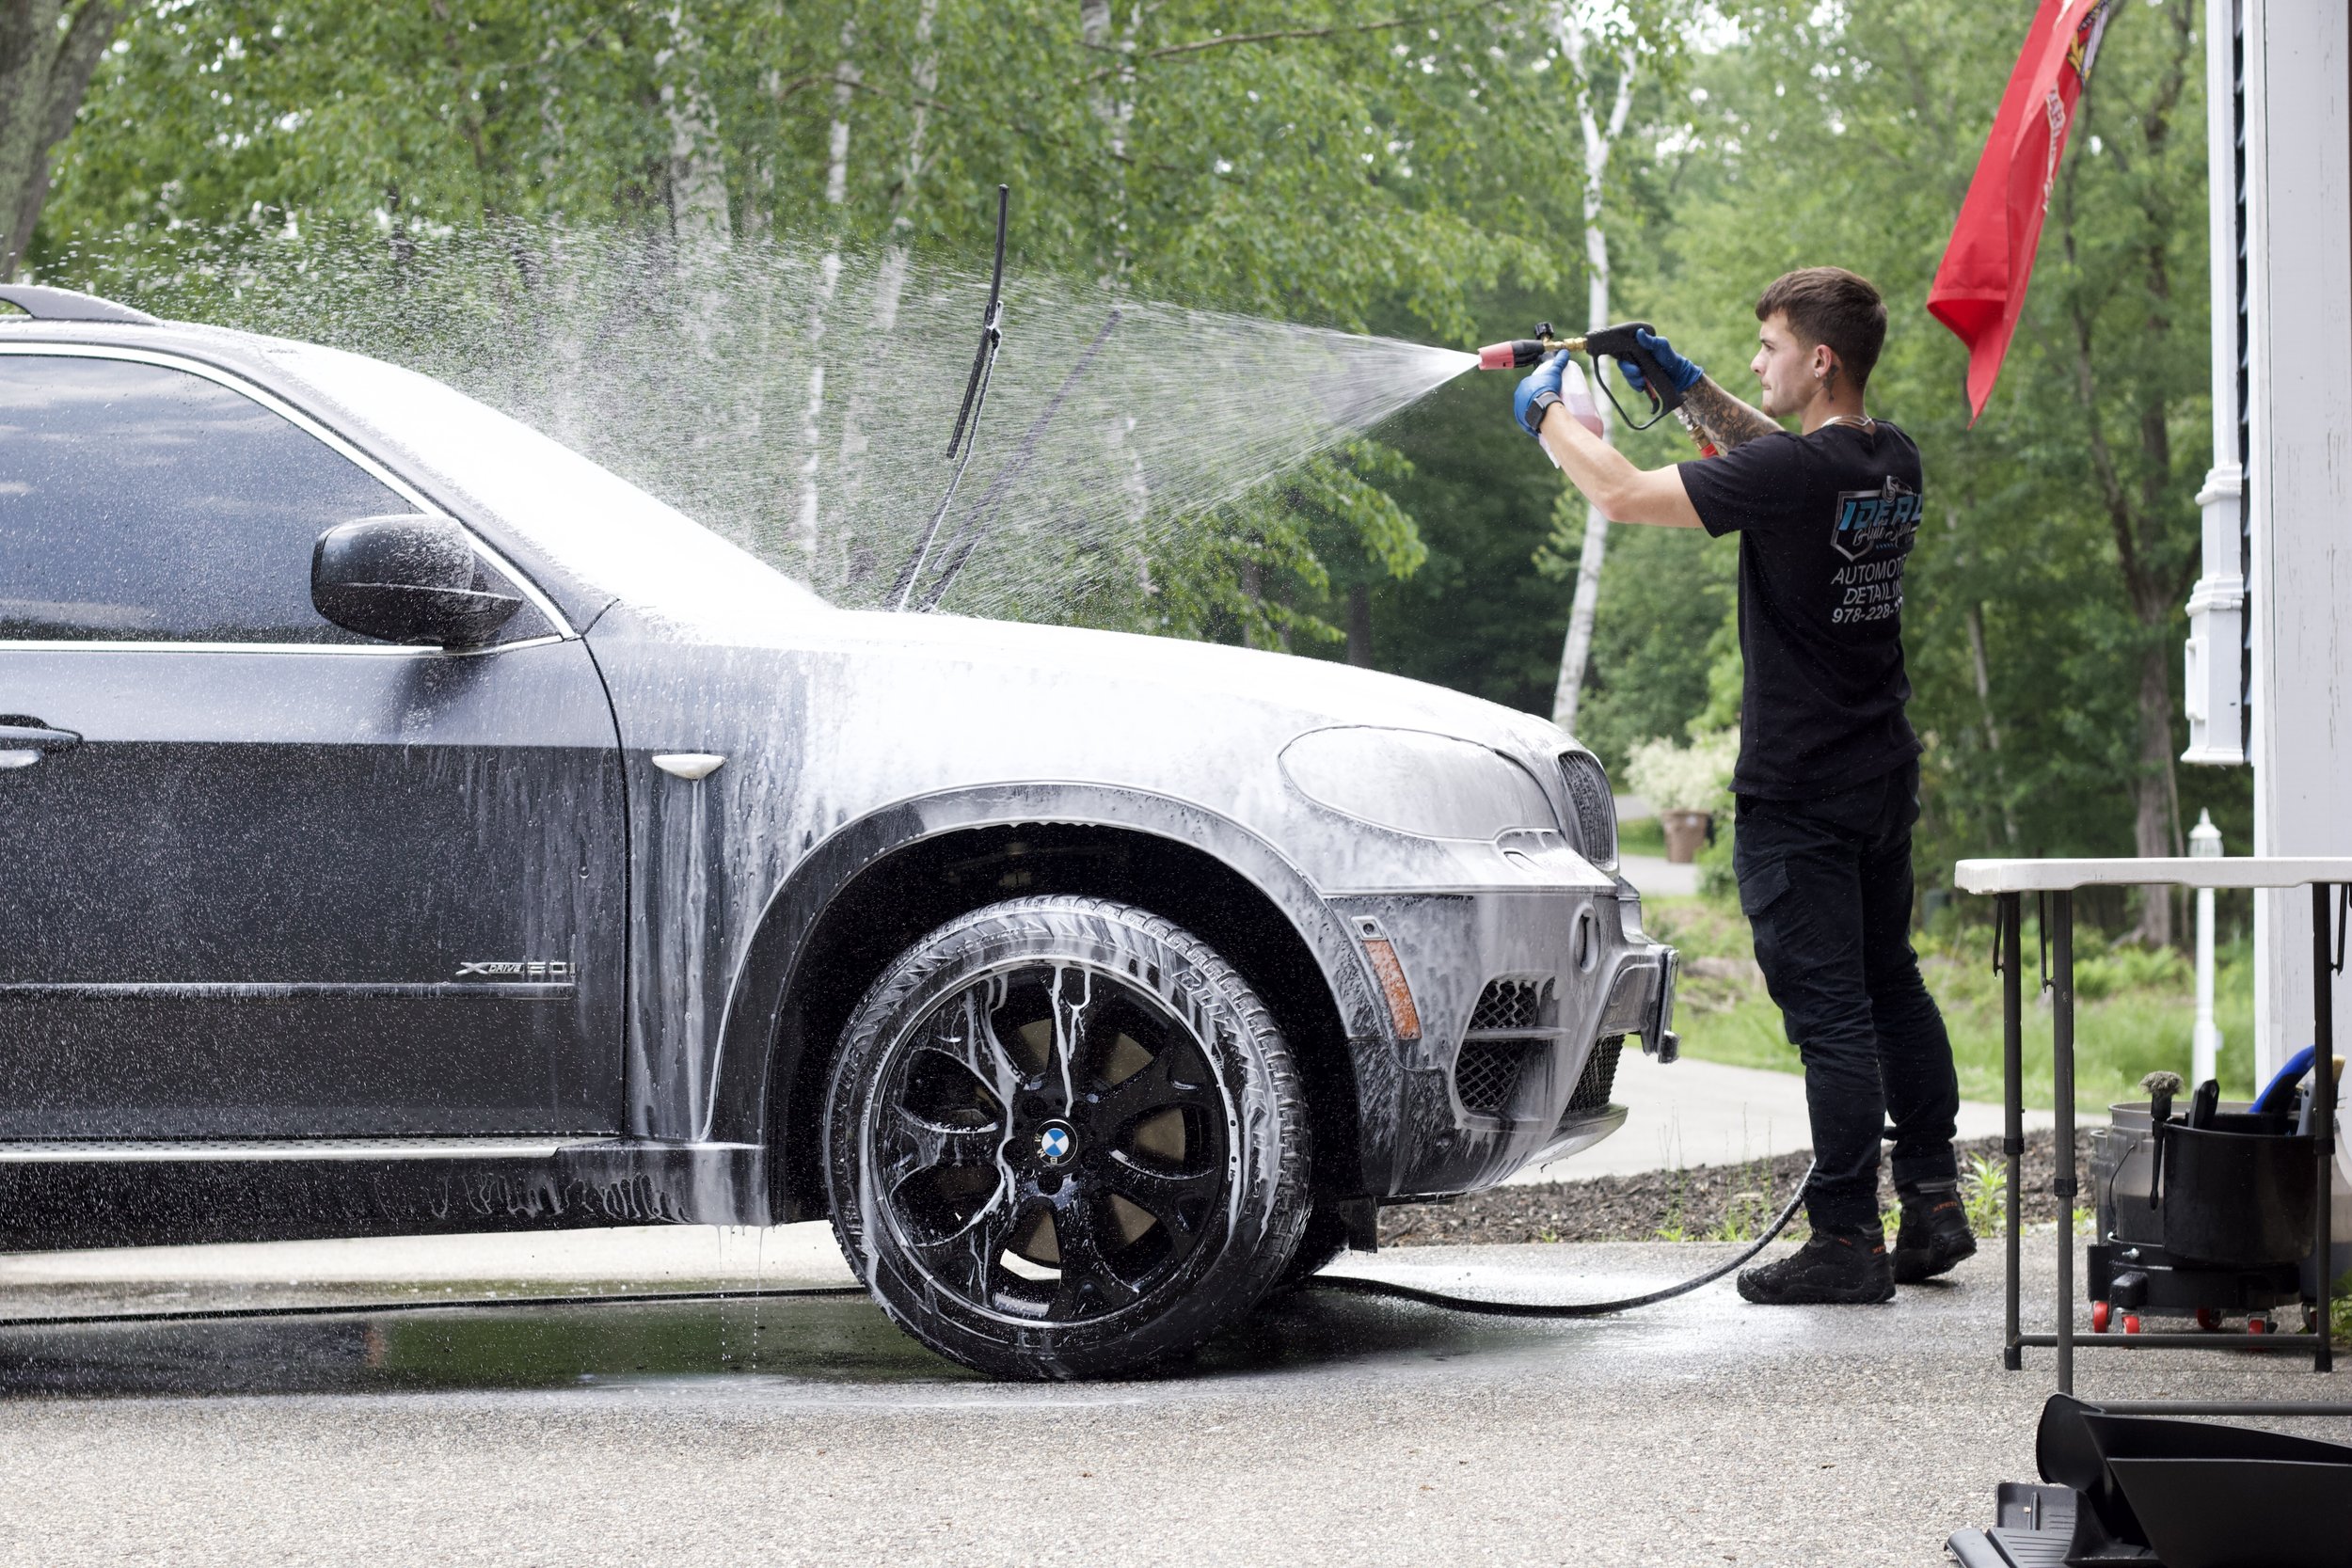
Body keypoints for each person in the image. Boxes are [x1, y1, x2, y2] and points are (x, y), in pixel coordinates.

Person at [1514, 267, 1972, 1305]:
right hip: (1878, 774)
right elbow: (1773, 456)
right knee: (1889, 983)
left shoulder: (1791, 478)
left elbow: (1622, 493)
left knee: (1832, 1016)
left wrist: (1546, 410)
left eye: (1768, 348)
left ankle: (1847, 1238)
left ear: (1819, 360)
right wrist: (1679, 382)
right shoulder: (1888, 457)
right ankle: (1934, 1204)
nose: (1754, 364)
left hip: (1800, 793)